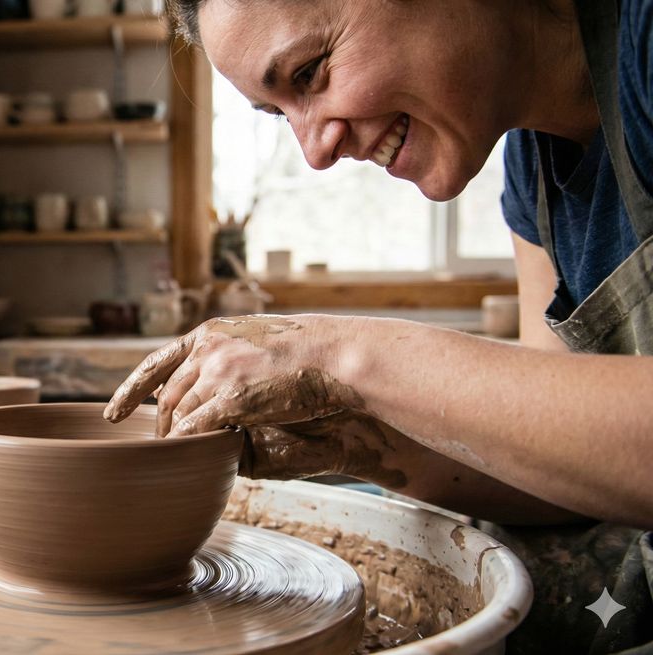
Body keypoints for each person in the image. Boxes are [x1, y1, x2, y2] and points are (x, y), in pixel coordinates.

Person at [103, 0, 653, 652]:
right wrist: (355, 441)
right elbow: (567, 464)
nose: (313, 151)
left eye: (309, 73)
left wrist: (347, 357)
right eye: (281, 114)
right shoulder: (530, 174)